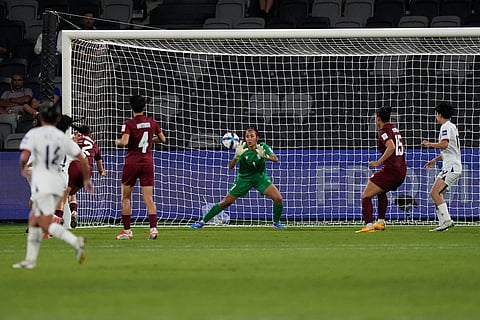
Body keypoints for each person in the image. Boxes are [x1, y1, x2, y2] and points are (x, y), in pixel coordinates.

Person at [12, 103, 93, 269]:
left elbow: (24, 156)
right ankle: (30, 260)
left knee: (42, 221)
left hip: (45, 180)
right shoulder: (63, 138)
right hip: (59, 182)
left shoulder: (35, 134)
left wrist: (24, 168)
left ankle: (75, 242)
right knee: (35, 219)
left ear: (41, 118)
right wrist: (86, 180)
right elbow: (82, 158)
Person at [190, 127, 285, 229]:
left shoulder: (262, 147)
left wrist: (265, 156)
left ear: (257, 138)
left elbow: (275, 159)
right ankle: (202, 222)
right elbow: (230, 166)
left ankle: (276, 223)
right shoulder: (242, 148)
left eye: (252, 136)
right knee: (226, 202)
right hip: (244, 179)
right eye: (247, 136)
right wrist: (236, 156)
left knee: (278, 198)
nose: (249, 139)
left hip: (260, 178)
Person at [114, 95, 166, 240]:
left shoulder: (129, 123)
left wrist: (118, 142)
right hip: (147, 162)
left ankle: (127, 231)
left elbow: (125, 142)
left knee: (125, 197)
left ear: (131, 107)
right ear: (145, 107)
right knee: (149, 198)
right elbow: (163, 139)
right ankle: (153, 229)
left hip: (132, 162)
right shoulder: (152, 122)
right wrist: (150, 140)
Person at [356, 106, 406, 233]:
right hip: (401, 170)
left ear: (378, 119)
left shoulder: (382, 131)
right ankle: (380, 222)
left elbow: (391, 147)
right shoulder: (395, 129)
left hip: (391, 170)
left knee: (366, 195)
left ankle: (368, 225)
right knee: (380, 191)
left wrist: (378, 162)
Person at [421, 102, 461, 232]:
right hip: (451, 165)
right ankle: (443, 223)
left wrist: (429, 144)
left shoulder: (445, 127)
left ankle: (447, 221)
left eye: (436, 114)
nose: (436, 116)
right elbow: (449, 150)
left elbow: (444, 144)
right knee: (437, 195)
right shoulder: (452, 126)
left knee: (434, 193)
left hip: (451, 167)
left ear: (439, 114)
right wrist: (434, 160)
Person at [66, 125, 107, 228]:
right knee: (72, 193)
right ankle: (74, 212)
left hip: (75, 165)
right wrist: (101, 171)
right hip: (88, 171)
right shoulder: (94, 144)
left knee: (63, 195)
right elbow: (99, 164)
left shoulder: (73, 137)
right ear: (90, 134)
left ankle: (56, 220)